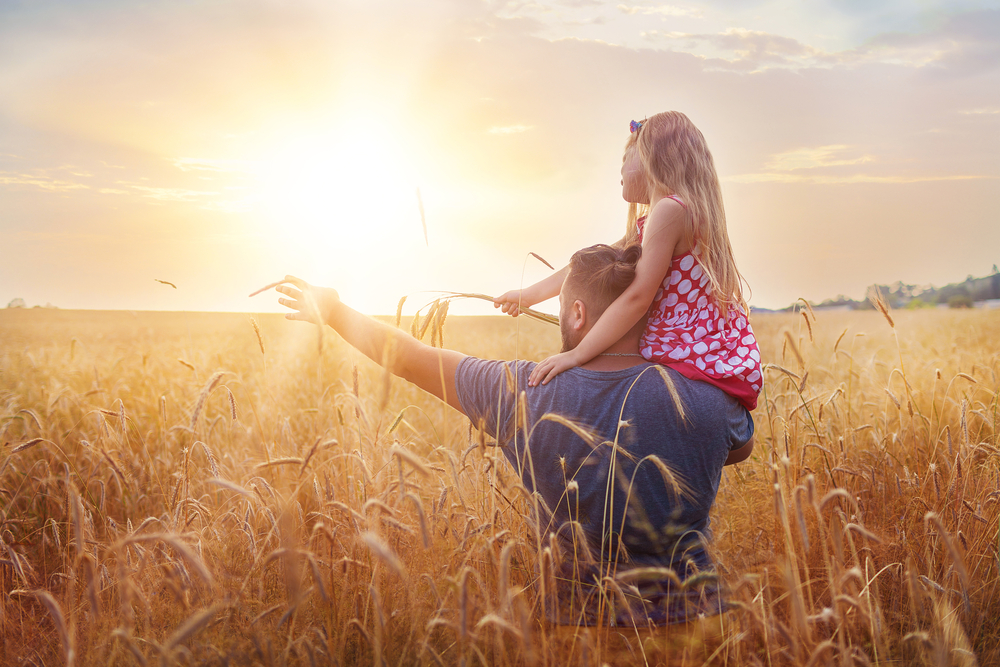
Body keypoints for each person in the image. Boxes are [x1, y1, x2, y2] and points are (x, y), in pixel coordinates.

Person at [274, 242, 754, 627]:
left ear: (579, 315)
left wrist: (334, 311)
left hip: (575, 632)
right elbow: (740, 447)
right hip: (695, 630)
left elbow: (411, 357)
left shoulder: (525, 392)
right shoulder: (705, 397)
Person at [494, 112, 761, 412]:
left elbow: (638, 298)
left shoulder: (670, 210)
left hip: (684, 348)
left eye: (626, 155)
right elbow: (581, 269)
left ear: (653, 157)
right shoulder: (663, 217)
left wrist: (576, 355)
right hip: (701, 345)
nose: (620, 167)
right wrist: (529, 295)